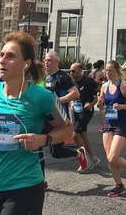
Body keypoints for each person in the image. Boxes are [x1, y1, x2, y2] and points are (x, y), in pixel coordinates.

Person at [0, 32, 73, 215]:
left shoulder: (42, 97)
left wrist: (43, 139)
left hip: (26, 185)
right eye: (1, 55)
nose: (2, 61)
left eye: (10, 56)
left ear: (26, 64)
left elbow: (68, 130)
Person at [41, 52, 86, 186]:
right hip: (46, 118)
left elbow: (75, 93)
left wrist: (57, 101)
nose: (46, 63)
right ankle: (40, 181)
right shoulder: (48, 78)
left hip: (59, 119)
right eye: (45, 60)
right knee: (37, 147)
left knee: (57, 153)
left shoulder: (62, 77)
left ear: (56, 62)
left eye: (49, 60)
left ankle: (78, 154)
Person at [98, 60, 126, 197]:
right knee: (109, 157)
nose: (107, 73)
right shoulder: (104, 86)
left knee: (112, 157)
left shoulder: (124, 86)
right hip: (108, 122)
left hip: (121, 123)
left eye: (110, 70)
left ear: (117, 70)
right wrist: (99, 103)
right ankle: (119, 185)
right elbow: (101, 105)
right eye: (106, 70)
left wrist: (122, 107)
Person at [69, 62, 101, 171]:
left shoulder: (88, 81)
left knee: (75, 135)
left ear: (80, 71)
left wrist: (91, 104)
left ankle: (85, 160)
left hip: (86, 111)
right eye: (70, 71)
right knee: (83, 136)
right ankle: (94, 158)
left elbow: (99, 94)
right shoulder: (72, 82)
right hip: (76, 111)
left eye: (73, 71)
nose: (71, 73)